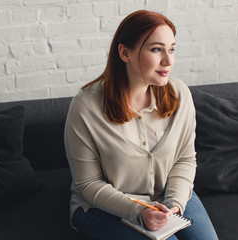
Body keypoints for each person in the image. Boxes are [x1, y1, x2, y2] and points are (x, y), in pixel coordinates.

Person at [64, 10, 218, 240]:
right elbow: (88, 184)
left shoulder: (180, 94)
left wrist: (175, 204)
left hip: (165, 196)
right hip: (100, 207)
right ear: (125, 52)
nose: (168, 60)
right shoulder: (85, 108)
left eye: (172, 49)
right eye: (156, 49)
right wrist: (139, 210)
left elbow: (185, 159)